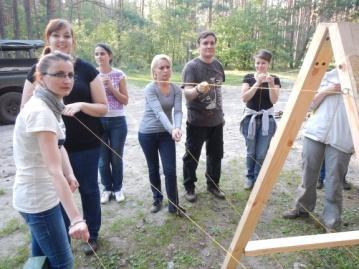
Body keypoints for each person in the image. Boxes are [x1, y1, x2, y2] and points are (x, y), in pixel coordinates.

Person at [20, 19, 107, 255]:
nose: (62, 40)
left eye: (67, 35)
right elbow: (25, 109)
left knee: (89, 189)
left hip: (86, 145)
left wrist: (80, 104)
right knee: (56, 194)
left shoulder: (86, 69)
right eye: (56, 35)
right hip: (52, 147)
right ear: (48, 39)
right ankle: (62, 238)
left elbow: (103, 107)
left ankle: (92, 235)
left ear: (73, 40)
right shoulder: (36, 71)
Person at [13, 52, 89, 268]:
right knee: (63, 263)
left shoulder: (51, 105)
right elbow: (53, 170)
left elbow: (58, 145)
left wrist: (70, 173)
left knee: (40, 260)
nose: (67, 80)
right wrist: (76, 218)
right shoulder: (41, 112)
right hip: (39, 200)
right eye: (59, 75)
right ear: (41, 78)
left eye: (70, 75)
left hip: (44, 194)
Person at [283, 68, 353, 231]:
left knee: (334, 178)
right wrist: (328, 90)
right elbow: (310, 104)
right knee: (308, 171)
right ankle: (302, 208)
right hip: (315, 132)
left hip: (343, 137)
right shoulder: (328, 75)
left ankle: (332, 220)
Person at [182, 31, 226, 202]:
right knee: (192, 157)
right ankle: (189, 188)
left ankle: (213, 185)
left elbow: (219, 90)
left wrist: (221, 114)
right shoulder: (191, 67)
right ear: (198, 45)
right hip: (197, 122)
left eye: (212, 43)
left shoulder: (218, 65)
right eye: (205, 43)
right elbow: (187, 94)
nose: (209, 46)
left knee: (216, 155)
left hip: (216, 121)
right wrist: (198, 89)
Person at [138, 54, 184, 215]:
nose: (165, 70)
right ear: (154, 71)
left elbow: (178, 111)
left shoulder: (176, 89)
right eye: (161, 68)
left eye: (168, 67)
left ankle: (174, 205)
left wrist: (176, 127)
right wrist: (173, 129)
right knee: (153, 168)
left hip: (166, 134)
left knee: (170, 170)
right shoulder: (150, 88)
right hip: (147, 134)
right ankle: (157, 199)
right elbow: (159, 112)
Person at [240, 49, 281, 190]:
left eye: (263, 63)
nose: (260, 66)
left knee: (262, 152)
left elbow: (274, 100)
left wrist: (270, 84)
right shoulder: (248, 78)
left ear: (268, 64)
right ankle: (249, 177)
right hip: (249, 119)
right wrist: (257, 83)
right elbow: (245, 98)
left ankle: (258, 178)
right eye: (257, 63)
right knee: (251, 151)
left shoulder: (274, 79)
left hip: (267, 120)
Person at [94, 43, 128, 204]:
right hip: (98, 121)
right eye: (96, 54)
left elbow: (125, 100)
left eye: (102, 53)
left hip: (117, 121)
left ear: (110, 56)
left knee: (116, 157)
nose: (99, 57)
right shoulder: (92, 75)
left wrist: (111, 87)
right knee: (102, 159)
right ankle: (107, 188)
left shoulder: (119, 74)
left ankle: (118, 188)